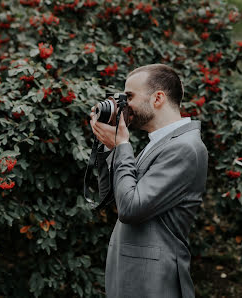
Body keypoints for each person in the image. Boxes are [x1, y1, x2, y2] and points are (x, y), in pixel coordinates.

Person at [90, 64, 208, 298]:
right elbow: (111, 195)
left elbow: (131, 208)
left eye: (130, 96)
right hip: (132, 276)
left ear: (158, 98)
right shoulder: (158, 143)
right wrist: (109, 145)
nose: (124, 104)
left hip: (154, 282)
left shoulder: (185, 148)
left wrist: (123, 146)